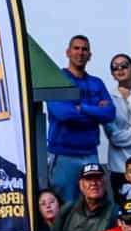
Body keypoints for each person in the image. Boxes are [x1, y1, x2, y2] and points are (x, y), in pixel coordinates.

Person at [45, 35, 116, 199]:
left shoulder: (96, 83)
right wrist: (95, 113)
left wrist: (82, 108)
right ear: (68, 52)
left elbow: (110, 113)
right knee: (65, 205)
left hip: (90, 153)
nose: (80, 52)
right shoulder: (57, 80)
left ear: (89, 55)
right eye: (76, 48)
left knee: (94, 202)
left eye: (84, 49)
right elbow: (65, 114)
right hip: (63, 155)